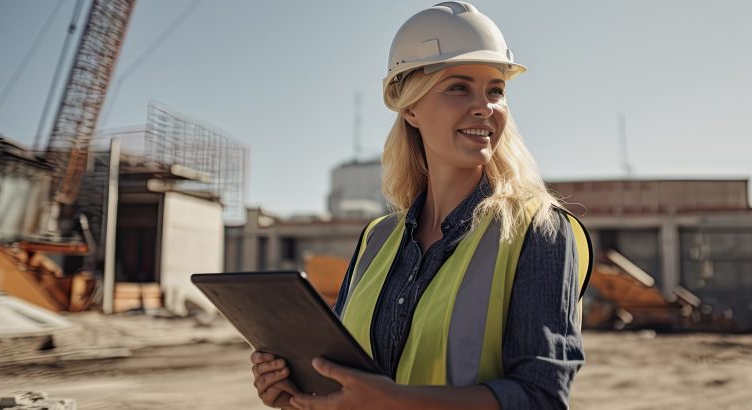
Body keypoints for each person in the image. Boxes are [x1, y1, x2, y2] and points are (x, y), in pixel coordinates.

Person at [250, 2, 592, 409]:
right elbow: (347, 382)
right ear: (410, 107)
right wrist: (297, 391)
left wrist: (395, 401)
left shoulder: (538, 231)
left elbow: (543, 397)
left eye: (495, 90)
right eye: (459, 87)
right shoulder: (377, 239)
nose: (485, 106)